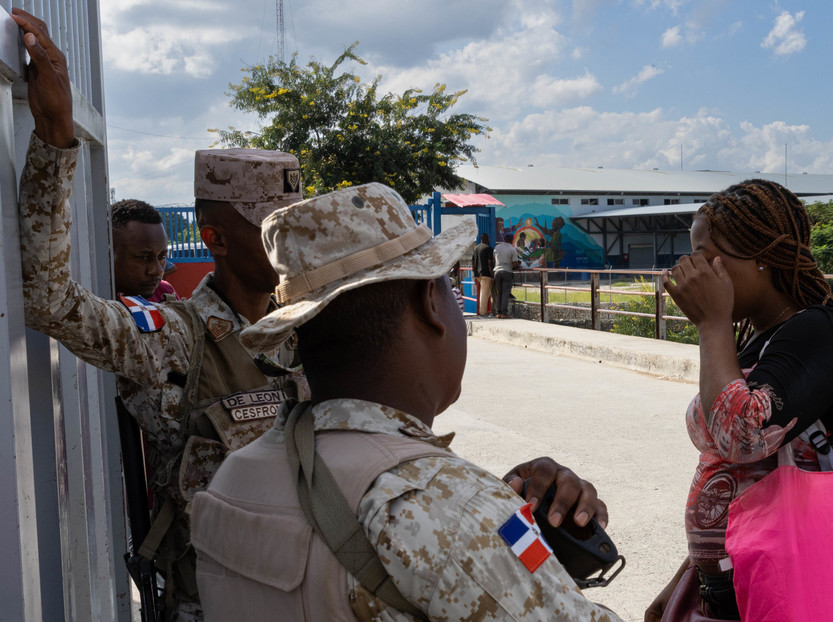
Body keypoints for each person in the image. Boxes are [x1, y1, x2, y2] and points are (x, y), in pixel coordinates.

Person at [190, 184, 622, 621]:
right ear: (429, 302)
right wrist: (492, 515)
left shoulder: (234, 476)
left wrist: (508, 523)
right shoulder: (455, 511)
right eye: (448, 288)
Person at [13, 10, 310, 619]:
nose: (292, 245)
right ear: (216, 239)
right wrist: (55, 141)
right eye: (273, 229)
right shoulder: (173, 338)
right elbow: (49, 301)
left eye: (296, 226)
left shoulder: (306, 329)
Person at [652, 179, 833, 620]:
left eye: (705, 256)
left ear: (760, 256)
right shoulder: (755, 343)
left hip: (794, 584)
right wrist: (689, 575)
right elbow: (739, 477)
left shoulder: (818, 332)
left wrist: (711, 323)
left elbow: (743, 435)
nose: (693, 269)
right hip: (732, 585)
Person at [112, 198, 173, 300]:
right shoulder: (88, 304)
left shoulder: (164, 293)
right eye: (143, 258)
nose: (158, 270)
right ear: (109, 256)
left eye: (162, 257)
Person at [493, 232, 519, 318]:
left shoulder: (497, 247)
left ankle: (498, 312)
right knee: (505, 293)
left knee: (499, 293)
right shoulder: (512, 249)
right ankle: (504, 313)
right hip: (507, 271)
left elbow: (494, 259)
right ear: (512, 240)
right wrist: (517, 266)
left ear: (504, 239)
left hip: (497, 271)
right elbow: (515, 263)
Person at [472, 233, 494, 315]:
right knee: (484, 293)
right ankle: (482, 312)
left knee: (487, 292)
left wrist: (474, 273)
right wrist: (492, 274)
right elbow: (489, 263)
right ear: (487, 239)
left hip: (478, 274)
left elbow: (473, 261)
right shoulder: (488, 248)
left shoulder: (476, 248)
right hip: (486, 274)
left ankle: (488, 310)